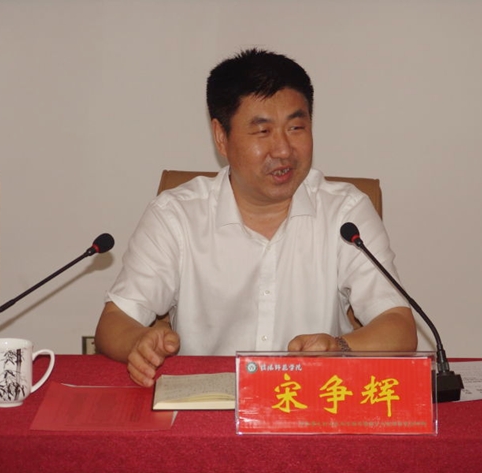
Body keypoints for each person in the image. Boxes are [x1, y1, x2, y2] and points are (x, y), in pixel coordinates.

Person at [95, 49, 417, 388]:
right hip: (206, 404)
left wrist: (339, 349)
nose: (283, 150)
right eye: (263, 132)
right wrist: (138, 343)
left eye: (296, 127)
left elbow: (399, 325)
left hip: (309, 401)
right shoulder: (176, 216)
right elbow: (114, 322)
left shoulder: (345, 213)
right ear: (222, 137)